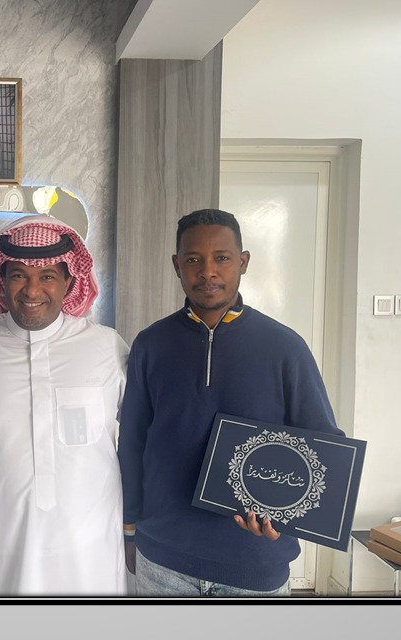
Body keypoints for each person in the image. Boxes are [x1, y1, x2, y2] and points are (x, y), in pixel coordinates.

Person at [117, 208, 343, 597]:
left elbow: (323, 447)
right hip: (164, 561)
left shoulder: (285, 348)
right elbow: (133, 442)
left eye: (221, 258)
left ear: (243, 262)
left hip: (254, 565)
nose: (207, 271)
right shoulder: (150, 345)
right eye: (193, 260)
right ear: (177, 265)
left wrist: (285, 519)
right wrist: (129, 530)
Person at [0, 215, 129, 596]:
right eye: (19, 275)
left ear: (69, 281)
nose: (32, 289)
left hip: (89, 571)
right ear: (2, 281)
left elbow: (152, 433)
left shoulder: (108, 348)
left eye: (47, 276)